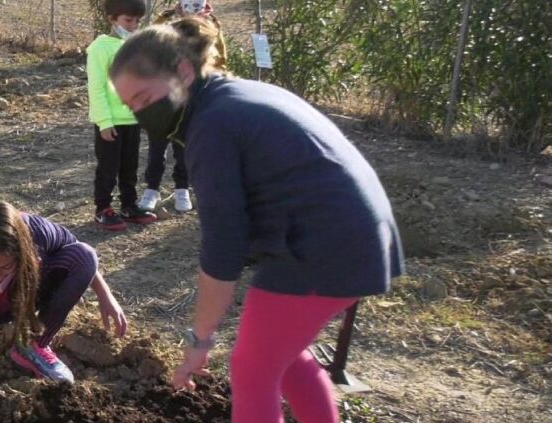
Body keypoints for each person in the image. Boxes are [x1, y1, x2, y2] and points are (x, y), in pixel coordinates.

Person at [110, 18, 402, 423]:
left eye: (144, 98)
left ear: (183, 71)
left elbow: (223, 245)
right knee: (284, 358)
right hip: (357, 234)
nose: (142, 113)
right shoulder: (233, 95)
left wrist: (200, 339)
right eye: (132, 106)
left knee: (252, 371)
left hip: (321, 246)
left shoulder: (212, 125)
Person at [0, 201, 128, 423]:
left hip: (21, 299)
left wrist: (105, 295)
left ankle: (33, 345)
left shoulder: (36, 231)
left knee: (84, 255)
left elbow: (83, 256)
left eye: (6, 267)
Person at [135, 0, 228, 213]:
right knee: (157, 145)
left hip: (192, 96)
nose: (192, 9)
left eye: (197, 4)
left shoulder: (211, 27)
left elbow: (221, 58)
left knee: (183, 146)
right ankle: (152, 189)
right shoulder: (169, 22)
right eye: (187, 4)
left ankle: (182, 188)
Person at [87, 0, 158, 231]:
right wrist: (104, 121)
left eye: (137, 21)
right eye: (128, 20)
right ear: (112, 19)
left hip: (132, 119)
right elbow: (96, 88)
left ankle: (129, 205)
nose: (133, 25)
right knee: (108, 167)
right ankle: (103, 209)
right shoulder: (100, 47)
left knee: (129, 166)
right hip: (110, 121)